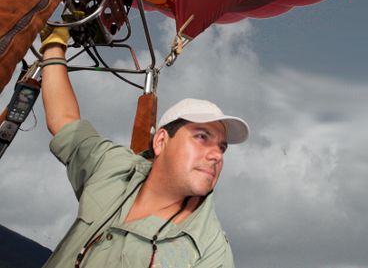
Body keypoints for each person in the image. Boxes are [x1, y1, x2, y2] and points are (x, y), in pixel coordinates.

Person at [39, 27, 249, 268]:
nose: (216, 155)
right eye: (202, 137)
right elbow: (64, 121)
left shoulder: (211, 254)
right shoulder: (112, 167)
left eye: (222, 148)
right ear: (161, 141)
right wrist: (54, 43)